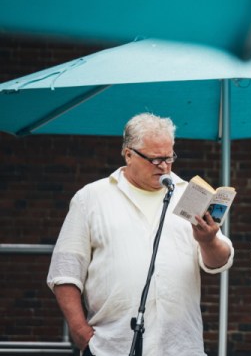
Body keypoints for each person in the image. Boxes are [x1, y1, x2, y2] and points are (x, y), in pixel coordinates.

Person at [47, 113, 234, 356]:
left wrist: (208, 241)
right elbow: (65, 271)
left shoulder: (189, 195)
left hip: (179, 346)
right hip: (111, 345)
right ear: (128, 154)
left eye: (169, 158)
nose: (164, 166)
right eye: (155, 159)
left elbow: (219, 262)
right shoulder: (91, 198)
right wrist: (80, 331)